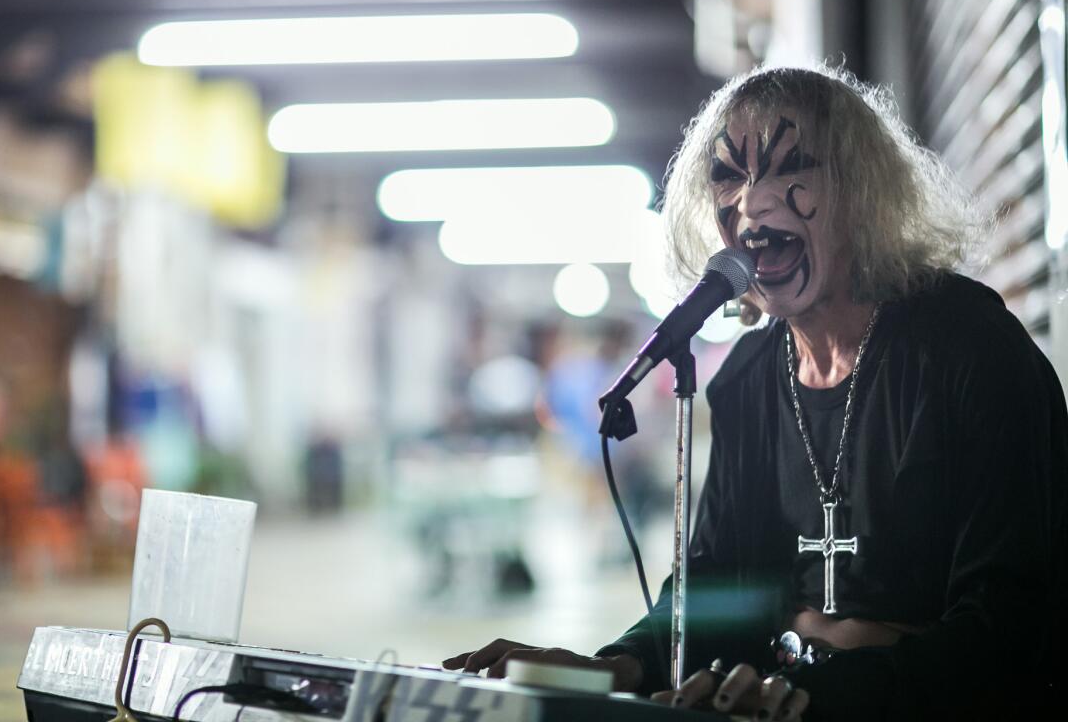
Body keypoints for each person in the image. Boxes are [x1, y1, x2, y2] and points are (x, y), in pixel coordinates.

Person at [441, 65, 1068, 721]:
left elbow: (1009, 623)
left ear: (862, 191)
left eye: (791, 167)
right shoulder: (749, 375)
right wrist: (609, 668)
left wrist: (823, 697)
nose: (752, 203)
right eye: (728, 177)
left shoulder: (968, 348)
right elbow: (714, 585)